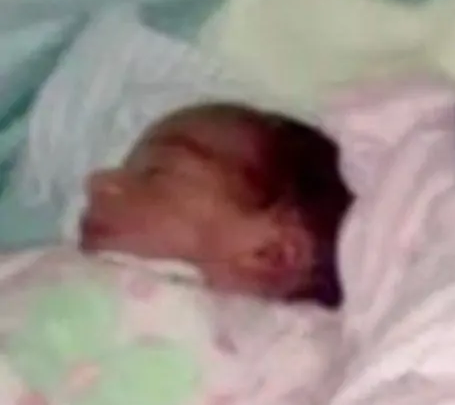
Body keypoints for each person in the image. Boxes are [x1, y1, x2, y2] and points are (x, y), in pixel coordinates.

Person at [79, 101, 353, 308]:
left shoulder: (285, 353)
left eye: (154, 174)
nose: (98, 181)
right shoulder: (65, 279)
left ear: (270, 255)